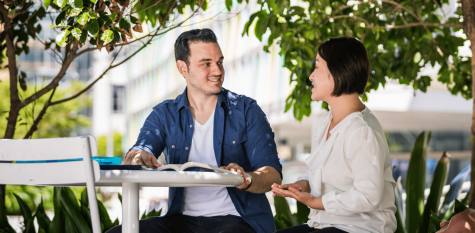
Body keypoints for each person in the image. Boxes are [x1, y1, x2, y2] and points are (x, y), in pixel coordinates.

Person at [106, 28, 282, 233]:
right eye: (206, 64)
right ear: (183, 68)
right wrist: (139, 157)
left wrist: (246, 179)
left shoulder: (246, 110)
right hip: (180, 221)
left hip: (236, 220)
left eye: (219, 62)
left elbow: (272, 174)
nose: (217, 71)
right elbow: (139, 151)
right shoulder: (164, 114)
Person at [271, 37, 397, 233]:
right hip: (324, 224)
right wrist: (302, 185)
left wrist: (315, 201)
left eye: (317, 67)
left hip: (359, 229)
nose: (311, 76)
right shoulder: (323, 122)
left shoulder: (362, 131)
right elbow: (319, 168)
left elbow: (368, 196)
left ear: (336, 73)